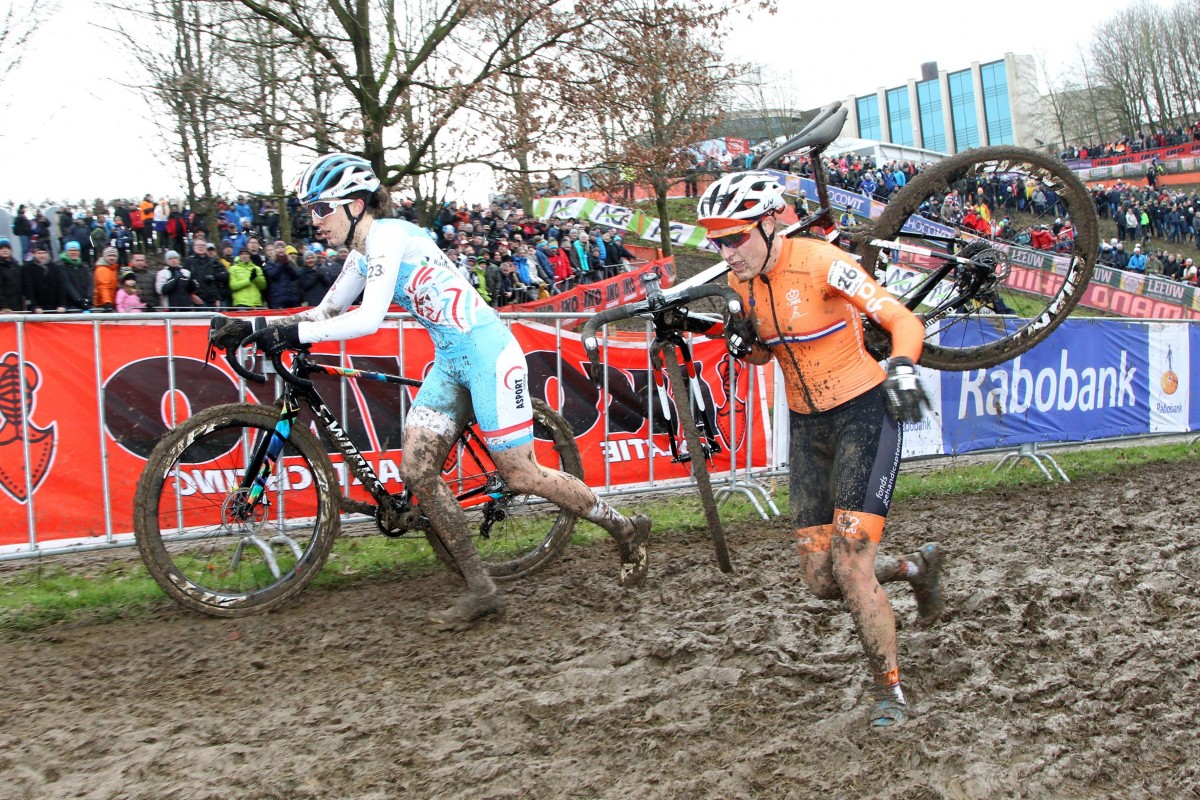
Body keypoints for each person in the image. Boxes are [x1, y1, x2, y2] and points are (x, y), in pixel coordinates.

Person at [226, 152, 651, 629]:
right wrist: (253, 326)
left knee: (521, 476)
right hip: (451, 362)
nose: (314, 220)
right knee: (417, 470)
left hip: (490, 355)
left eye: (322, 208)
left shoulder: (387, 236)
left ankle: (624, 526)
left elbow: (368, 320)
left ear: (356, 205)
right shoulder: (362, 255)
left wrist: (290, 335)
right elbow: (323, 314)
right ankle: (480, 587)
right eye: (310, 210)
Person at [696, 171, 945, 730]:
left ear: (767, 223)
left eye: (734, 237)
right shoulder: (740, 284)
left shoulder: (820, 262)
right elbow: (764, 355)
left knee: (852, 564)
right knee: (820, 578)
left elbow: (900, 317)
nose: (725, 251)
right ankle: (914, 568)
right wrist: (739, 343)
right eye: (715, 241)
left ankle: (891, 694)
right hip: (808, 430)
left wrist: (902, 366)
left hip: (864, 414)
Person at [0, 238, 23, 312]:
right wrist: (4, 306)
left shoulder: (16, 264)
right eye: (1, 248)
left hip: (17, 306)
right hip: (5, 309)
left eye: (7, 248)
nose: (5, 250)